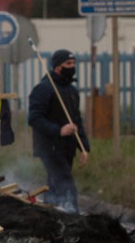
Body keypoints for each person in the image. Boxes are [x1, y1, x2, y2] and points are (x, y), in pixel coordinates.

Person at [27, 49, 90, 214]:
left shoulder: (72, 91)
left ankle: (49, 215)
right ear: (57, 67)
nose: (72, 67)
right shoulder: (43, 89)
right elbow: (34, 118)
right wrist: (58, 130)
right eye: (68, 64)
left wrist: (84, 147)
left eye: (74, 63)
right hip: (50, 147)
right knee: (65, 183)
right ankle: (72, 215)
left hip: (67, 147)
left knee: (55, 185)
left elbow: (76, 121)